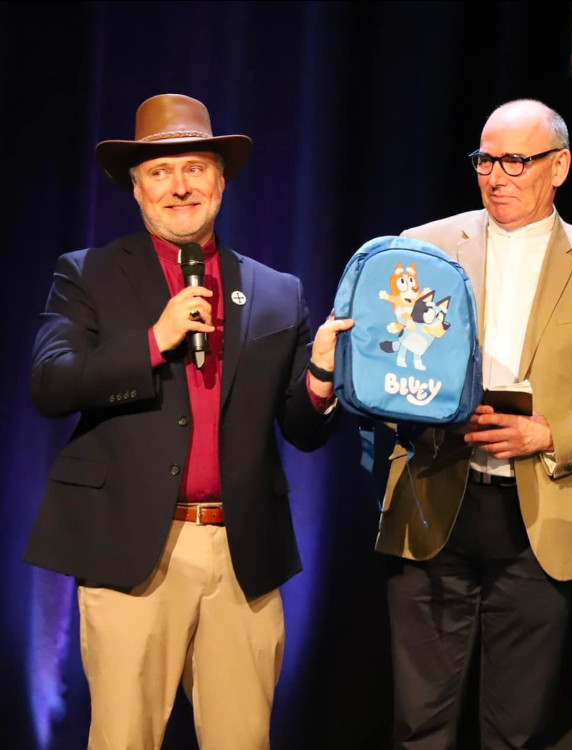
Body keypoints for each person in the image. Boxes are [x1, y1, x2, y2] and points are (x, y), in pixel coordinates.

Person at [25, 93, 352, 750]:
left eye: (195, 168)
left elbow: (303, 429)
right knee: (124, 738)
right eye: (159, 172)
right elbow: (51, 383)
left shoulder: (276, 291)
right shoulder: (88, 275)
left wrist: (319, 380)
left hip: (241, 557)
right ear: (138, 189)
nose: (179, 186)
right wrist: (153, 340)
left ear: (221, 179)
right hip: (133, 552)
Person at [375, 99, 572, 747]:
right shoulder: (422, 247)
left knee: (517, 731)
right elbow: (387, 366)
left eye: (515, 161)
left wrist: (549, 433)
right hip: (434, 502)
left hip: (542, 522)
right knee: (419, 723)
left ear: (558, 167)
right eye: (485, 159)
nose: (496, 175)